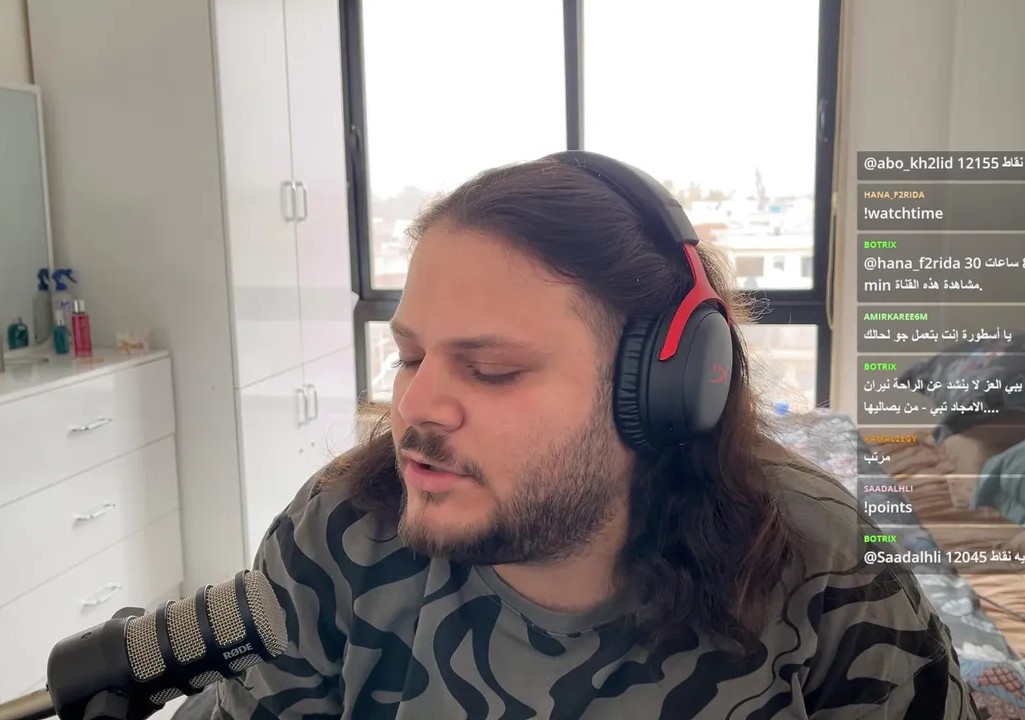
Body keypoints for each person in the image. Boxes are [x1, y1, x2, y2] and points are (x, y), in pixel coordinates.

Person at [213, 153, 975, 719]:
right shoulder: (338, 529)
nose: (416, 407)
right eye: (411, 356)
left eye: (490, 370)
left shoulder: (819, 557)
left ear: (663, 390)